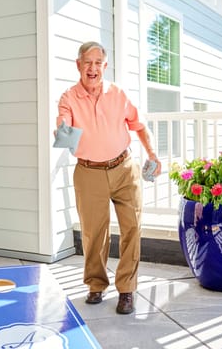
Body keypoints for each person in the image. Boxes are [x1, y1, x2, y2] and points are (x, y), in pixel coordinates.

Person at [55, 41, 162, 315]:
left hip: (124, 168)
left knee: (132, 228)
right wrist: (64, 130)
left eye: (97, 63)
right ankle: (96, 284)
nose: (92, 68)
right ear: (78, 65)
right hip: (89, 171)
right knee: (93, 234)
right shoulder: (69, 98)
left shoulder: (118, 94)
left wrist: (152, 154)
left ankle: (127, 289)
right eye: (86, 63)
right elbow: (64, 126)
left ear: (105, 66)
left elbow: (138, 125)